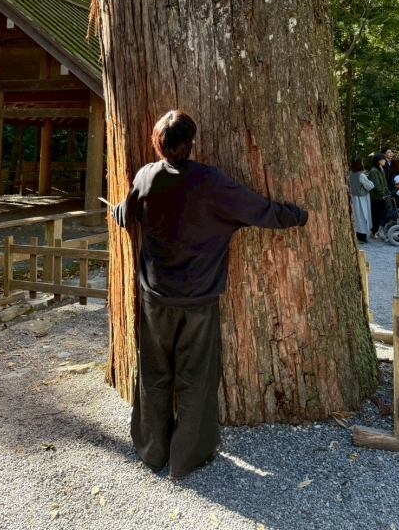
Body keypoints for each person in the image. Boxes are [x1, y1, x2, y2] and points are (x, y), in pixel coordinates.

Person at [112, 110, 308, 479]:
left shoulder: (146, 176)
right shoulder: (211, 182)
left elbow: (128, 211)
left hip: (156, 297)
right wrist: (298, 216)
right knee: (196, 376)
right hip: (199, 298)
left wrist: (119, 211)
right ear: (192, 143)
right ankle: (187, 458)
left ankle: (153, 451)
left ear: (157, 144)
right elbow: (259, 210)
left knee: (154, 371)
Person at [349, 158, 374, 243]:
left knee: (356, 217)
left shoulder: (351, 174)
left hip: (353, 197)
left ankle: (357, 234)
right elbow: (369, 186)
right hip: (361, 198)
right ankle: (361, 236)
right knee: (363, 216)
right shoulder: (361, 175)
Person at [368, 153, 389, 238]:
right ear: (379, 161)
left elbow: (384, 183)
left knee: (379, 215)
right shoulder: (374, 171)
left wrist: (387, 192)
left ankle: (376, 231)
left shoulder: (381, 169)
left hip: (381, 196)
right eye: (383, 159)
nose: (385, 161)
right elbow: (376, 185)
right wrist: (382, 194)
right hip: (376, 197)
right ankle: (374, 232)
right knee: (376, 215)